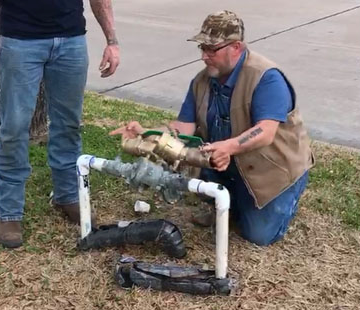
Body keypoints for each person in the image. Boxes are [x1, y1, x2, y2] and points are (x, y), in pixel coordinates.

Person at [110, 10, 313, 246]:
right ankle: (233, 201)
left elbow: (266, 131)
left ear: (236, 47)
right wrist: (148, 133)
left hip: (271, 171)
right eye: (202, 48)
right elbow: (183, 129)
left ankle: (283, 198)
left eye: (211, 49)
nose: (204, 56)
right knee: (181, 161)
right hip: (228, 164)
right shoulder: (201, 81)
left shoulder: (266, 78)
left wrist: (229, 146)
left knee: (257, 236)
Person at [0, 0, 120, 248]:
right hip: (20, 40)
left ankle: (68, 196)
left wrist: (112, 41)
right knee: (14, 128)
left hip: (71, 40)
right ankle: (10, 213)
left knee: (68, 125)